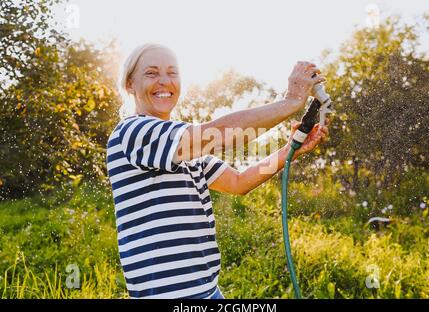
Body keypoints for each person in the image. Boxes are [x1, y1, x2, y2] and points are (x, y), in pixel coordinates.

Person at [106, 43, 329, 299]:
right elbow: (220, 136)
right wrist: (290, 102)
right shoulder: (133, 131)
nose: (164, 81)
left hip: (208, 291)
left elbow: (239, 181)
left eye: (172, 72)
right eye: (151, 73)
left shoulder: (184, 150)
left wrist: (288, 149)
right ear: (130, 85)